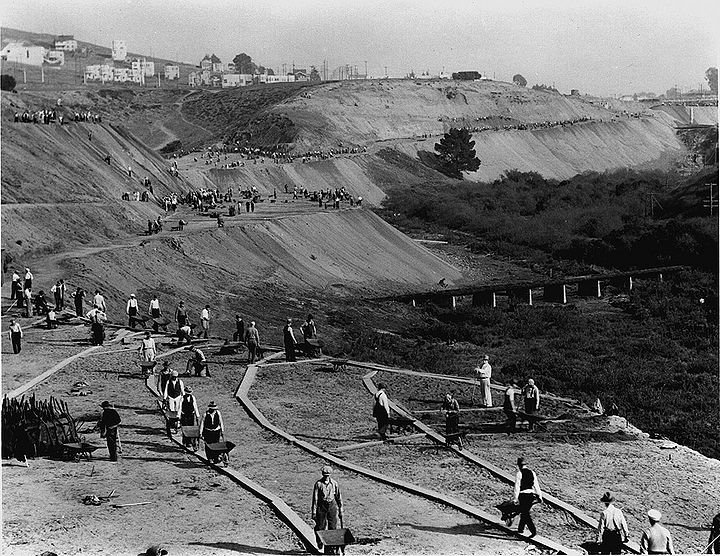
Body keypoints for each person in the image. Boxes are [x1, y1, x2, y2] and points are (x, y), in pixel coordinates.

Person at [312, 465, 344, 545]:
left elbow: (338, 497)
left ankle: (330, 547)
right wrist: (314, 512)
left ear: (330, 475)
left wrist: (341, 510)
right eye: (325, 475)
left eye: (328, 475)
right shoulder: (318, 484)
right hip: (322, 506)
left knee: (332, 526)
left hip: (332, 505)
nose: (326, 477)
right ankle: (319, 541)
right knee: (320, 526)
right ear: (322, 475)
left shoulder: (334, 483)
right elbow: (315, 499)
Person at [513, 457, 543, 538]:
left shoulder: (519, 473)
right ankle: (520, 529)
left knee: (525, 514)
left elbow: (517, 487)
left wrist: (515, 498)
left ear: (519, 465)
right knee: (524, 512)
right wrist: (540, 496)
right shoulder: (532, 472)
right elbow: (536, 485)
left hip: (523, 496)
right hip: (531, 495)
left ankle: (533, 531)